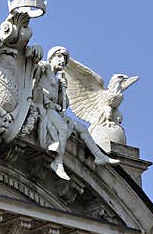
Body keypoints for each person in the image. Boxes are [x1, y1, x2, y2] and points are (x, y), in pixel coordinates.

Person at [32, 46, 120, 180]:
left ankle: (99, 156)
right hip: (44, 108)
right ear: (51, 57)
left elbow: (64, 105)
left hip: (54, 110)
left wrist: (63, 88)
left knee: (82, 128)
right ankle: (58, 161)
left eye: (65, 59)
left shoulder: (57, 80)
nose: (62, 61)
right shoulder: (44, 67)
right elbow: (33, 81)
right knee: (62, 128)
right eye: (59, 56)